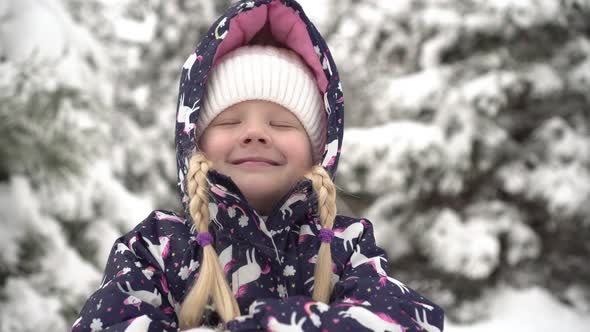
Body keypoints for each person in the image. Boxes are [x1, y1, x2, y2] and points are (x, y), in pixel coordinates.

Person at [71, 0, 444, 331]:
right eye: (229, 122)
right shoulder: (158, 247)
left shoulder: (347, 250)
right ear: (196, 142)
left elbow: (401, 320)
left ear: (319, 151)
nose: (254, 133)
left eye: (281, 123)